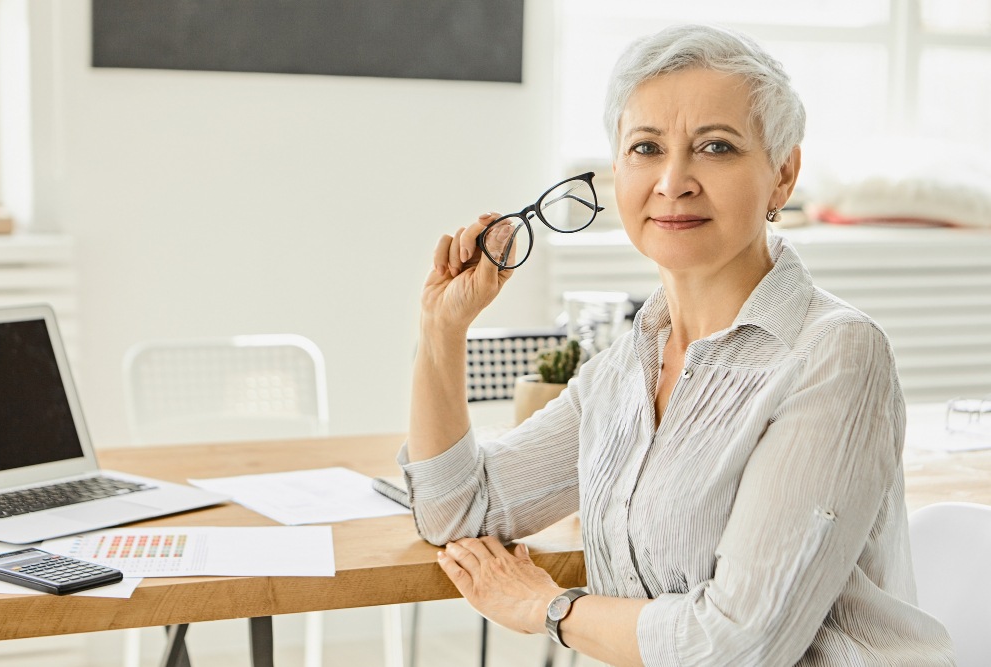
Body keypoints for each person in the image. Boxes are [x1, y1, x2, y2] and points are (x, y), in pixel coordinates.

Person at [399, 23, 955, 666]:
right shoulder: (620, 373)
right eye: (646, 148)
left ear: (782, 175)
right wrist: (441, 332)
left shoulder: (834, 356)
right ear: (616, 171)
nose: (673, 180)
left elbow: (741, 644)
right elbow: (458, 509)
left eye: (716, 147)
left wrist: (546, 607)